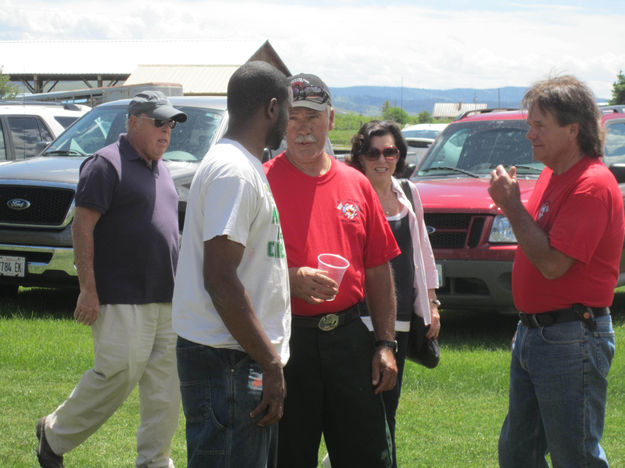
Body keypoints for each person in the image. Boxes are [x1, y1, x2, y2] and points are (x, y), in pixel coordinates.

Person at [36, 90, 187, 468]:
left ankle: (154, 461)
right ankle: (53, 435)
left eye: (171, 124)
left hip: (167, 298)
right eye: (159, 122)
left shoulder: (163, 168)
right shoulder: (105, 164)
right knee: (117, 373)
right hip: (120, 295)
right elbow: (82, 228)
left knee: (165, 390)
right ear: (133, 121)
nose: (167, 131)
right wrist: (87, 289)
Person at [264, 73, 401, 468]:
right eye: (293, 117)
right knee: (287, 455)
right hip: (286, 343)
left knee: (366, 455)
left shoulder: (357, 184)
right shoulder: (261, 182)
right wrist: (289, 280)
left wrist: (386, 344)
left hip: (349, 340)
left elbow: (378, 269)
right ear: (280, 121)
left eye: (314, 117)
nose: (303, 128)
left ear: (332, 119)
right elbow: (234, 270)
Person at [488, 75, 625, 467]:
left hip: (570, 337)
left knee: (575, 455)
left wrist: (512, 206)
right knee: (518, 454)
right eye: (529, 124)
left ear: (572, 129)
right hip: (538, 333)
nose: (529, 133)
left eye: (538, 125)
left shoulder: (592, 185)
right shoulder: (553, 173)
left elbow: (551, 265)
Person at [172, 61, 292, 468]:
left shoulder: (243, 167)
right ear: (272, 109)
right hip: (228, 361)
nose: (289, 122)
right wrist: (270, 361)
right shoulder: (235, 172)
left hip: (237, 357)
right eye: (289, 111)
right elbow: (220, 279)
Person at [349, 120, 441, 468]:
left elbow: (424, 252)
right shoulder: (352, 195)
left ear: (399, 155)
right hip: (359, 319)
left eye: (390, 151)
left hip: (401, 321)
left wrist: (431, 301)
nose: (382, 159)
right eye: (372, 152)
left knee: (388, 406)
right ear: (360, 156)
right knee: (366, 407)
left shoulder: (409, 192)